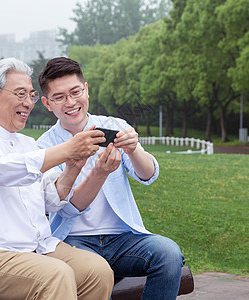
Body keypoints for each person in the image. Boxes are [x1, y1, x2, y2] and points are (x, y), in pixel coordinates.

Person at [0, 57, 115, 300]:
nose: (28, 103)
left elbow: (51, 198)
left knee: (97, 270)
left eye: (31, 95)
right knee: (56, 275)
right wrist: (67, 149)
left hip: (38, 249)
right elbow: (2, 170)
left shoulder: (28, 144)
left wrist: (73, 168)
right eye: (20, 94)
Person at [37, 57, 184, 299]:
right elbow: (65, 208)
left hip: (123, 239)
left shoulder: (113, 126)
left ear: (87, 90)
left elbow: (148, 175)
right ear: (47, 103)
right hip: (73, 241)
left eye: (76, 92)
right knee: (97, 270)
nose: (71, 102)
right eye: (59, 97)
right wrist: (99, 172)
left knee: (168, 253)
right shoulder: (45, 147)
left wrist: (134, 149)